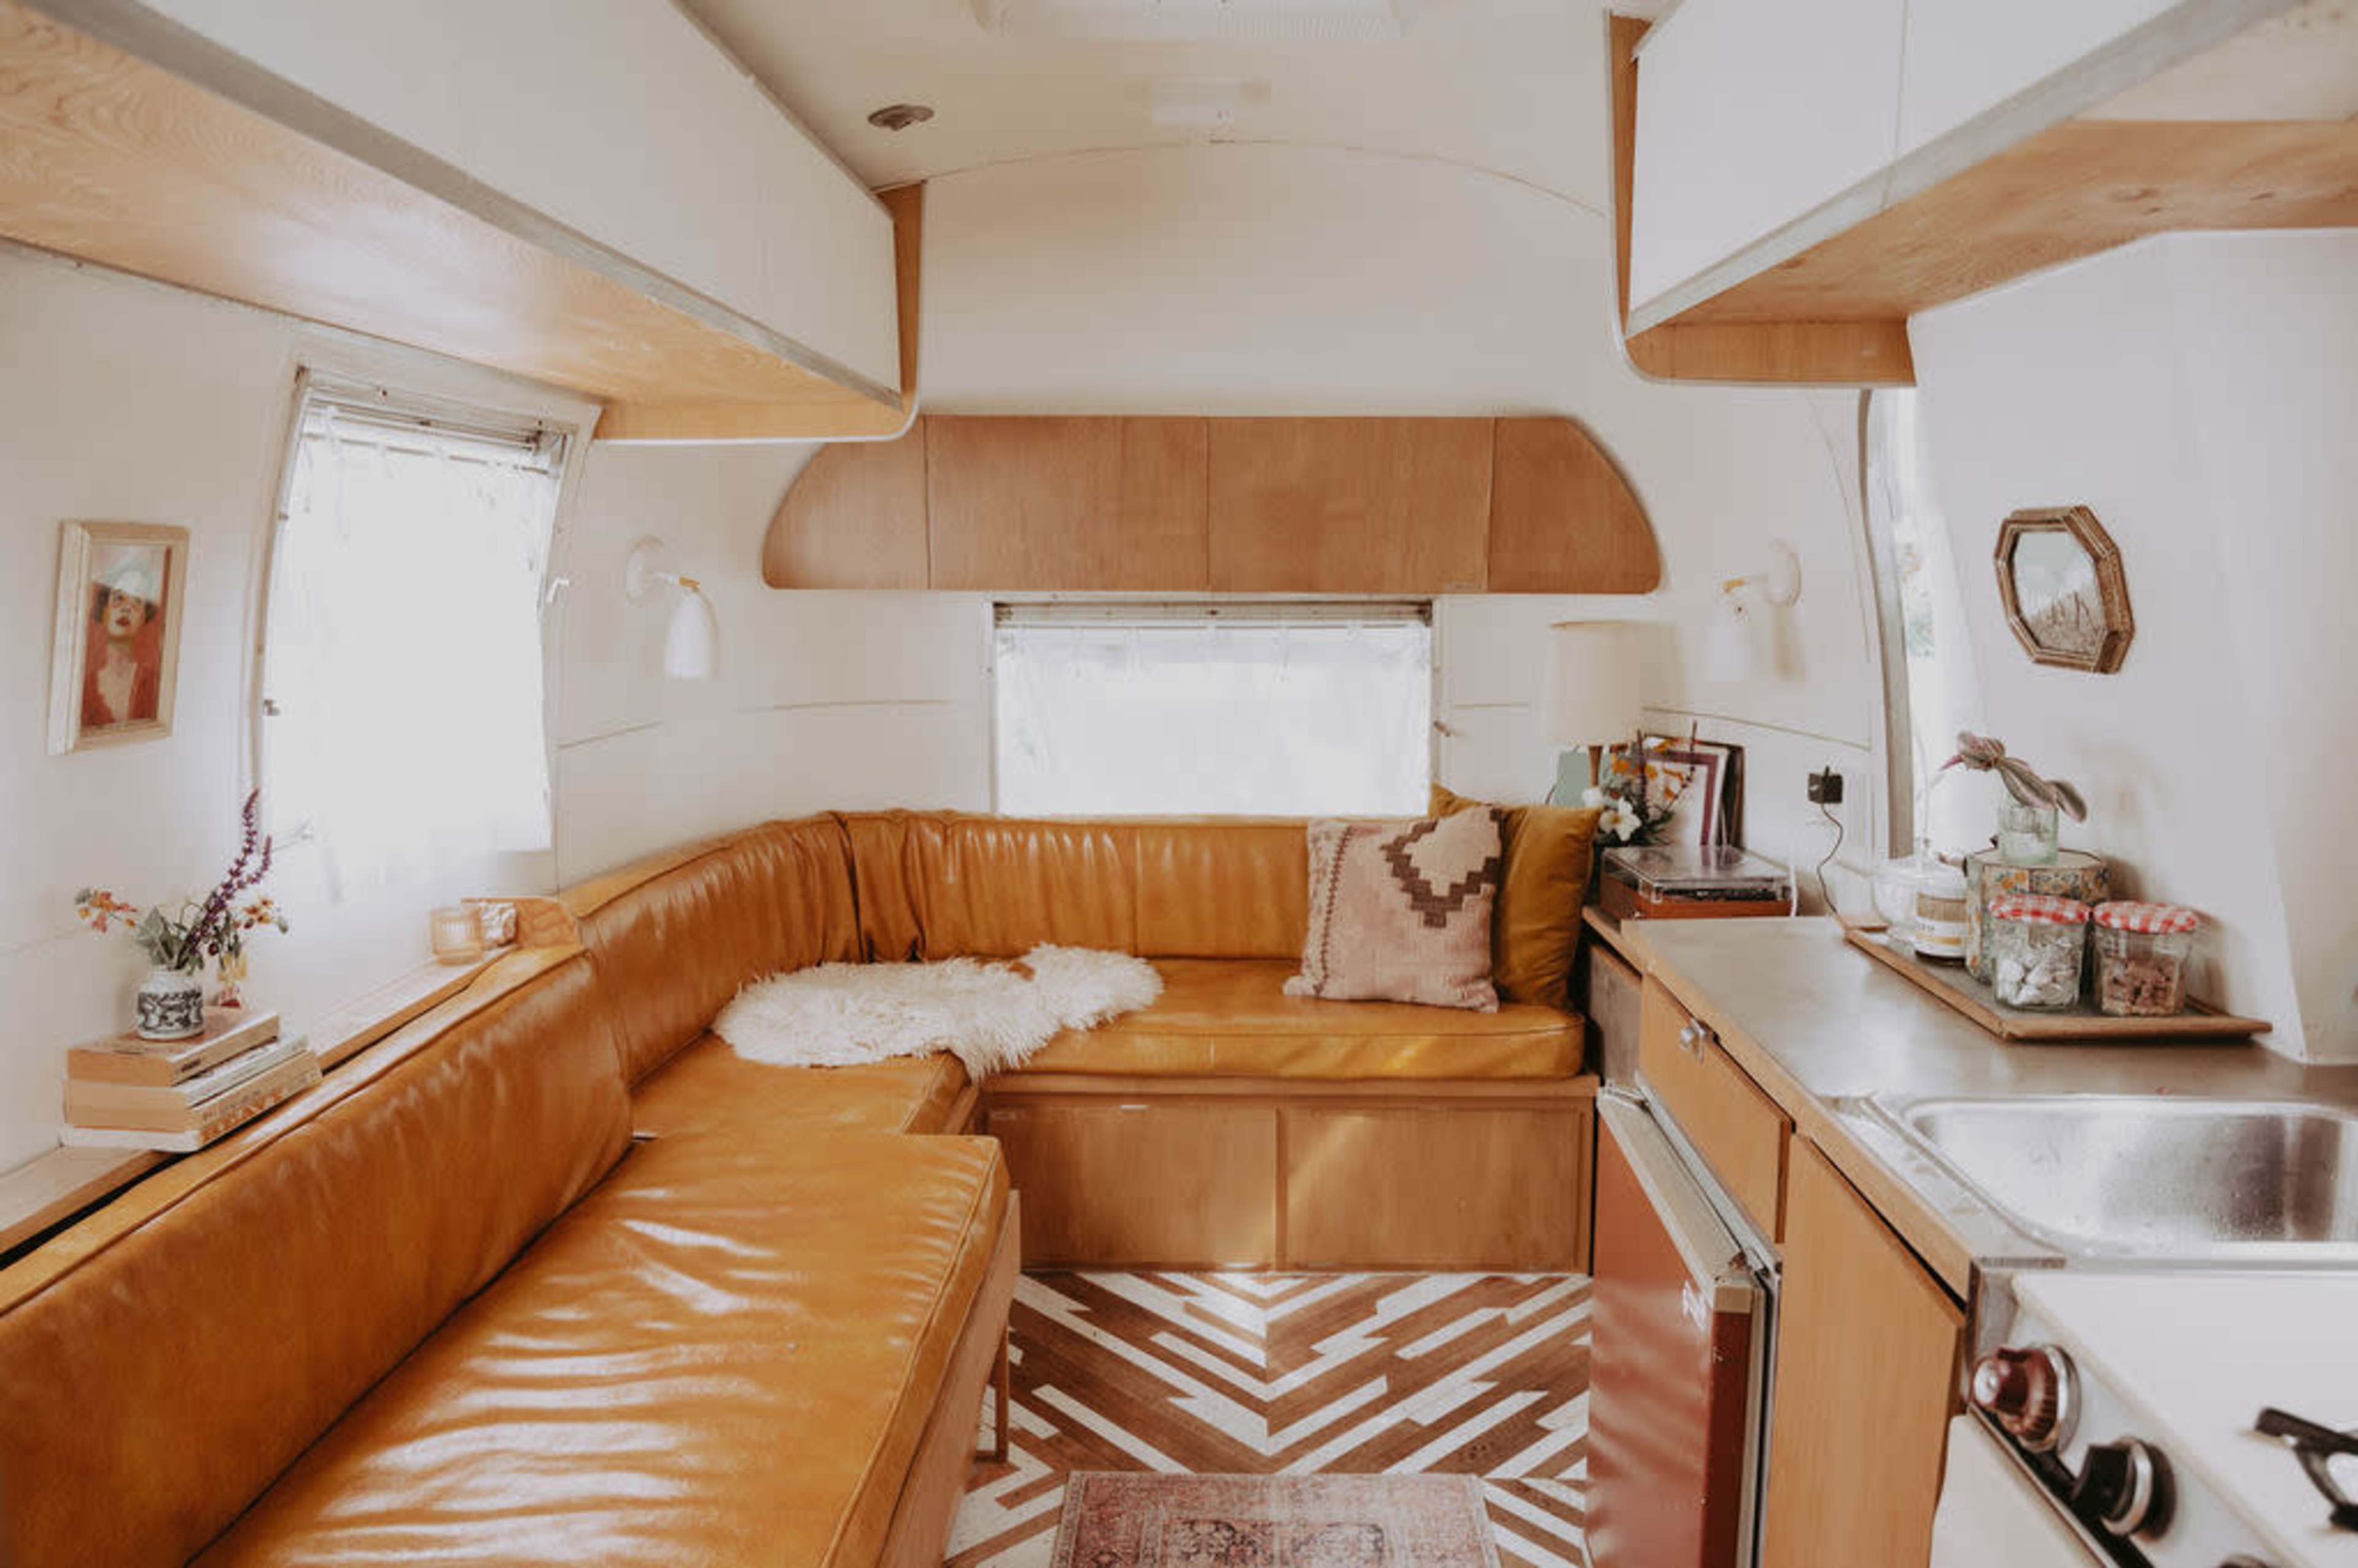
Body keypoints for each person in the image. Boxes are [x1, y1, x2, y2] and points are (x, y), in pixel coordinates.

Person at [82, 557, 165, 729]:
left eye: (137, 602)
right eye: (119, 598)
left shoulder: (153, 681)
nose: (127, 608)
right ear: (104, 609)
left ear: (143, 617)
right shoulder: (82, 678)